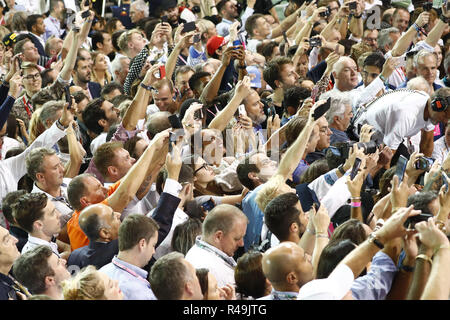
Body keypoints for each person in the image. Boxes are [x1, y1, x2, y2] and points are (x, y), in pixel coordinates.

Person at [185, 204, 248, 287]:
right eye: (237, 239)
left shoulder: (201, 251)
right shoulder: (210, 271)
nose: (242, 244)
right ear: (218, 236)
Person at [100, 214, 159, 300]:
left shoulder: (102, 272)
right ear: (142, 244)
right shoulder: (139, 293)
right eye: (153, 245)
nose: (154, 251)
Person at [66, 203, 121, 270]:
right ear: (105, 233)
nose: (118, 214)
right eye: (113, 217)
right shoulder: (123, 249)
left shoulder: (74, 256)